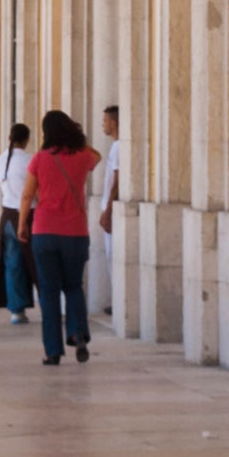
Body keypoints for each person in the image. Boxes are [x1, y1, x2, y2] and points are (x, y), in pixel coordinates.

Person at [19, 110, 100, 367]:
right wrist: (77, 138)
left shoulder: (39, 159)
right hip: (75, 232)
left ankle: (53, 351)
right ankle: (77, 333)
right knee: (74, 286)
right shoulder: (83, 156)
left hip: (44, 231)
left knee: (49, 291)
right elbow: (97, 156)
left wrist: (22, 224)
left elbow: (27, 195)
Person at [0, 123, 35, 325]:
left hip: (7, 216)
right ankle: (51, 304)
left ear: (9, 138)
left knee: (13, 264)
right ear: (26, 140)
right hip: (31, 215)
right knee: (39, 263)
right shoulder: (30, 161)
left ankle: (16, 310)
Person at [97, 104, 120, 306]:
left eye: (105, 121)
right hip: (108, 207)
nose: (102, 125)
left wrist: (108, 211)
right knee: (110, 257)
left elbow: (117, 181)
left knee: (113, 257)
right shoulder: (115, 146)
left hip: (111, 209)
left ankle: (118, 303)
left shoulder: (119, 147)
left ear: (113, 123)